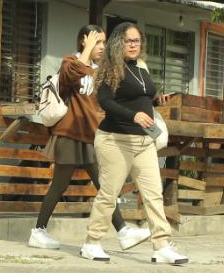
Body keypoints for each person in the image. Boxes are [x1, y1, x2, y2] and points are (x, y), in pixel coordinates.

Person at [27, 26, 149, 251]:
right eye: (97, 41)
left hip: (92, 136)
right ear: (84, 41)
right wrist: (86, 51)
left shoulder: (102, 70)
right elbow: (70, 76)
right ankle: (38, 231)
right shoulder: (70, 62)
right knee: (59, 185)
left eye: (104, 42)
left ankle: (122, 231)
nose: (102, 47)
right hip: (69, 133)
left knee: (104, 185)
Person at [80, 22, 189, 265]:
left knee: (153, 194)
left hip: (143, 141)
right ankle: (92, 242)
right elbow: (106, 102)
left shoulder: (141, 67)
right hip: (115, 140)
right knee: (109, 194)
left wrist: (156, 101)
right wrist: (133, 115)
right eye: (128, 41)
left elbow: (141, 97)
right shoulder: (110, 68)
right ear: (118, 43)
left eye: (137, 41)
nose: (133, 45)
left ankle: (161, 246)